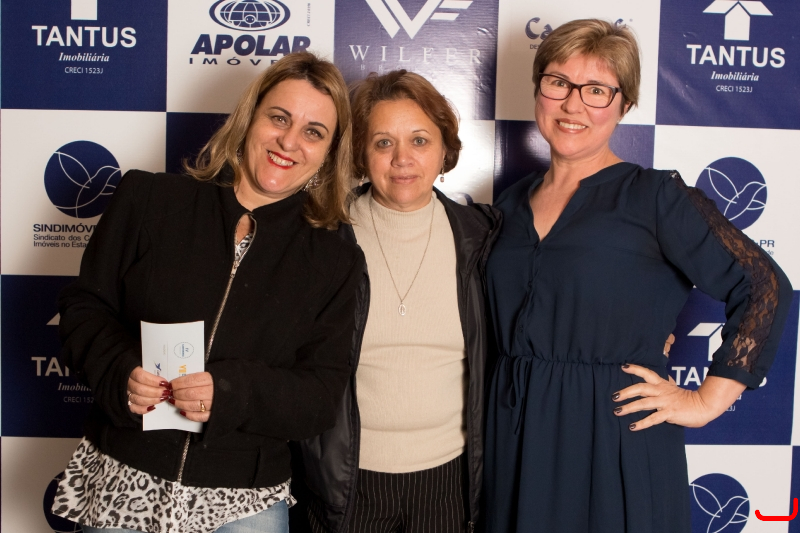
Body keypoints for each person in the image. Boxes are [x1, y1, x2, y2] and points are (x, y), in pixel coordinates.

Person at [483, 18, 793, 533]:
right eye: (558, 82)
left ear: (624, 104)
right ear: (538, 89)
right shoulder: (509, 205)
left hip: (615, 433)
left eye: (596, 90)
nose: (573, 104)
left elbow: (764, 285)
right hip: (514, 432)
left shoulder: (655, 197)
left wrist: (707, 399)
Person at [51, 52, 366, 533]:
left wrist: (232, 392)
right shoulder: (148, 200)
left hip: (245, 503)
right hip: (124, 476)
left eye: (313, 132)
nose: (289, 141)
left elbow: (320, 396)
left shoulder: (335, 259)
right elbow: (83, 309)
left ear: (329, 152)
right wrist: (120, 371)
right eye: (279, 118)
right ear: (249, 118)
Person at [296, 70, 500, 533]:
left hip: (448, 485)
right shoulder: (322, 237)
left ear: (445, 150)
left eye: (420, 141)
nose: (402, 158)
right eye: (383, 142)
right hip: (346, 485)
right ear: (361, 154)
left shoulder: (483, 238)